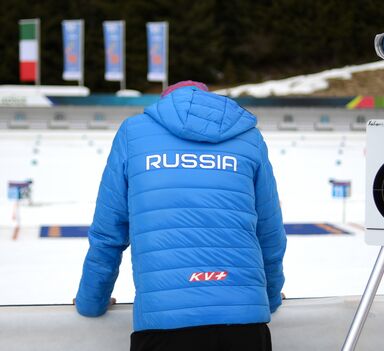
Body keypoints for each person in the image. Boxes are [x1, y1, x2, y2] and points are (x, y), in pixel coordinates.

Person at [75, 81, 287, 351]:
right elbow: (270, 234)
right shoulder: (249, 137)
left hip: (163, 323)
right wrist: (269, 298)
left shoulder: (133, 132)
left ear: (164, 102)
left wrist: (92, 301)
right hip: (244, 323)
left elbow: (109, 232)